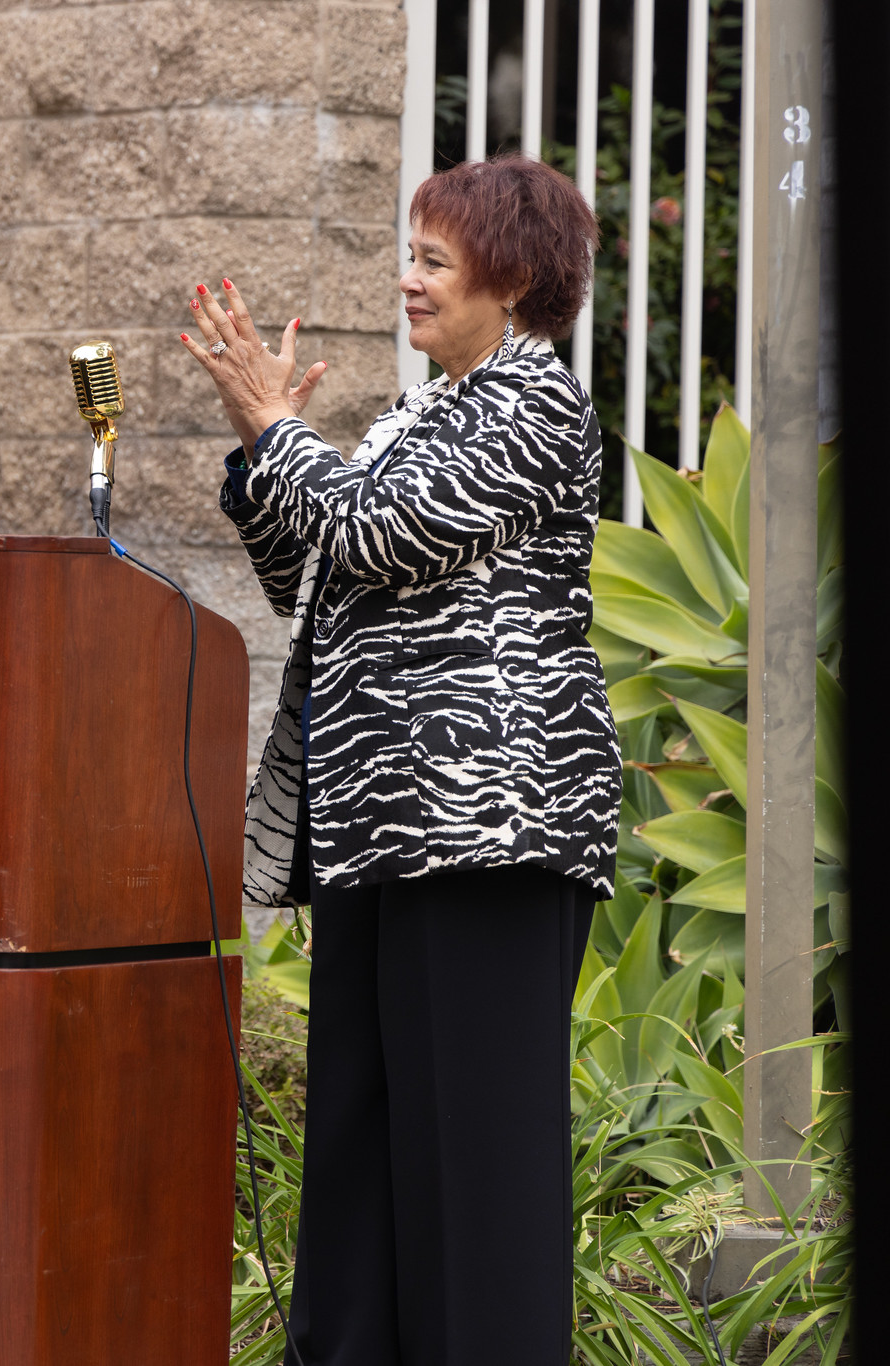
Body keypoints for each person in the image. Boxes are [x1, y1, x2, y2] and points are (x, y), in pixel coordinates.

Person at [177, 154, 619, 1365]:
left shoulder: (534, 403)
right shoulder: (418, 415)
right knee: (364, 1151)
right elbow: (308, 572)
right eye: (409, 253)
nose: (405, 279)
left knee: (474, 1163)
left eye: (431, 258)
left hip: (489, 825)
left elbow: (373, 529)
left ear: (513, 277)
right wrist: (258, 439)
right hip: (378, 825)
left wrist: (280, 428)